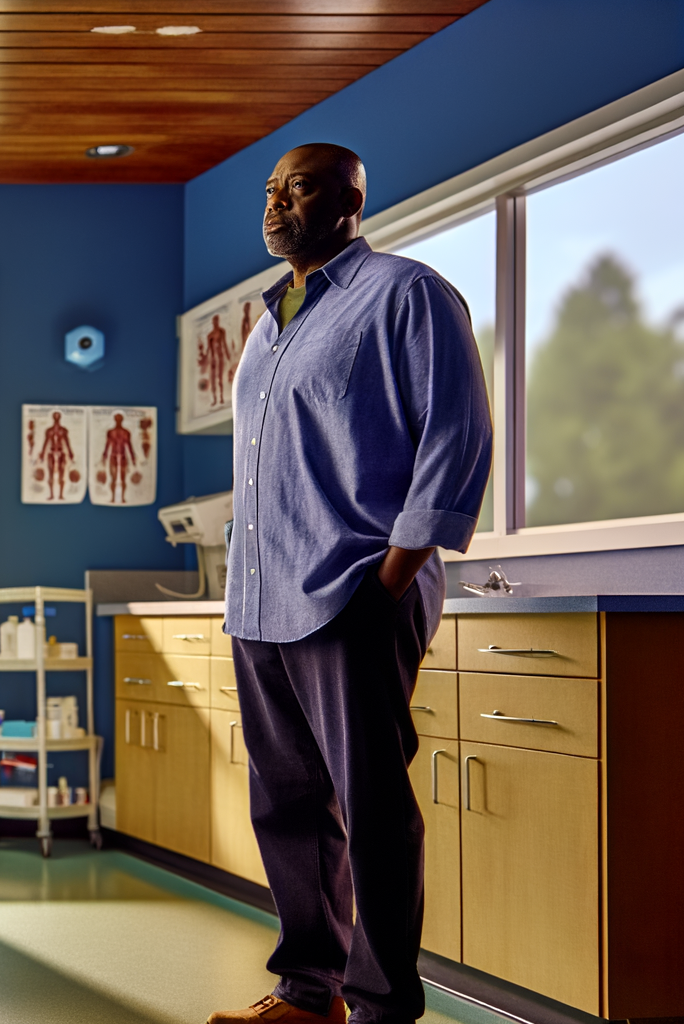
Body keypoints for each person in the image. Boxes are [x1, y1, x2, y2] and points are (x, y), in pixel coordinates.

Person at [215, 144, 491, 1024]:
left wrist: (392, 579)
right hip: (261, 602)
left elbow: (456, 434)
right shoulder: (268, 322)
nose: (276, 203)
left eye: (297, 187)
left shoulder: (407, 294)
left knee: (371, 808)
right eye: (270, 190)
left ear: (352, 198)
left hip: (352, 594)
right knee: (287, 806)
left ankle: (381, 1006)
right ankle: (310, 993)